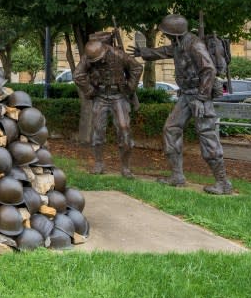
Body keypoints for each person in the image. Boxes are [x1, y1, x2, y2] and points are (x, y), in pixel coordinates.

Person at [129, 14, 234, 194]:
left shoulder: (194, 44)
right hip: (186, 96)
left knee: (207, 135)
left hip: (200, 97)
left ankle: (223, 182)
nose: (166, 36)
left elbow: (209, 70)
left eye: (167, 33)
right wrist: (144, 52)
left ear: (175, 34)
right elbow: (165, 51)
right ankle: (177, 176)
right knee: (171, 128)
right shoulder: (179, 44)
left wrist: (201, 99)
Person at [74, 31, 143, 178]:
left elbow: (137, 68)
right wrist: (90, 90)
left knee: (124, 129)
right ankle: (98, 164)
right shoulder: (89, 55)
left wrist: (130, 87)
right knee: (98, 130)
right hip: (100, 96)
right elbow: (78, 75)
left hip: (118, 95)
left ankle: (125, 168)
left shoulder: (118, 54)